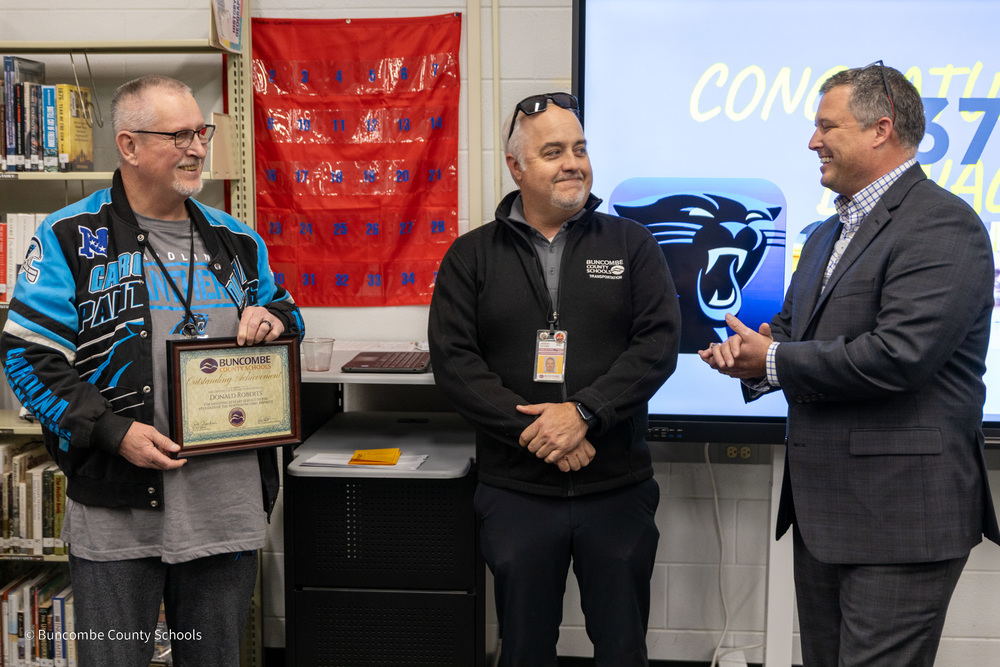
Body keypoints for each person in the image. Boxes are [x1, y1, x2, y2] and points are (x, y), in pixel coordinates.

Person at [700, 63, 1000, 666]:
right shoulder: (829, 229)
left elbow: (899, 357)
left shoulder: (943, 224)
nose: (813, 142)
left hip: (900, 522)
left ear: (880, 129)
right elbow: (790, 332)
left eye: (825, 126)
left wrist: (776, 359)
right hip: (826, 517)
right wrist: (747, 357)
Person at [0, 75, 303, 666]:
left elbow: (287, 315)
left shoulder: (236, 238)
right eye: (179, 135)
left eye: (202, 132)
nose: (197, 147)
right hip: (118, 511)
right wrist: (116, 433)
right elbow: (28, 358)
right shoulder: (69, 238)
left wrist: (273, 320)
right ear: (130, 145)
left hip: (226, 509)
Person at [428, 92, 680, 665]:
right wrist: (541, 433)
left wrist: (584, 412)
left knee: (622, 648)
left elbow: (658, 344)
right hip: (517, 494)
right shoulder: (471, 256)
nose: (574, 163)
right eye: (553, 151)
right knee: (524, 649)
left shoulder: (631, 244)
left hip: (616, 488)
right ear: (517, 167)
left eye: (580, 148)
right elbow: (456, 361)